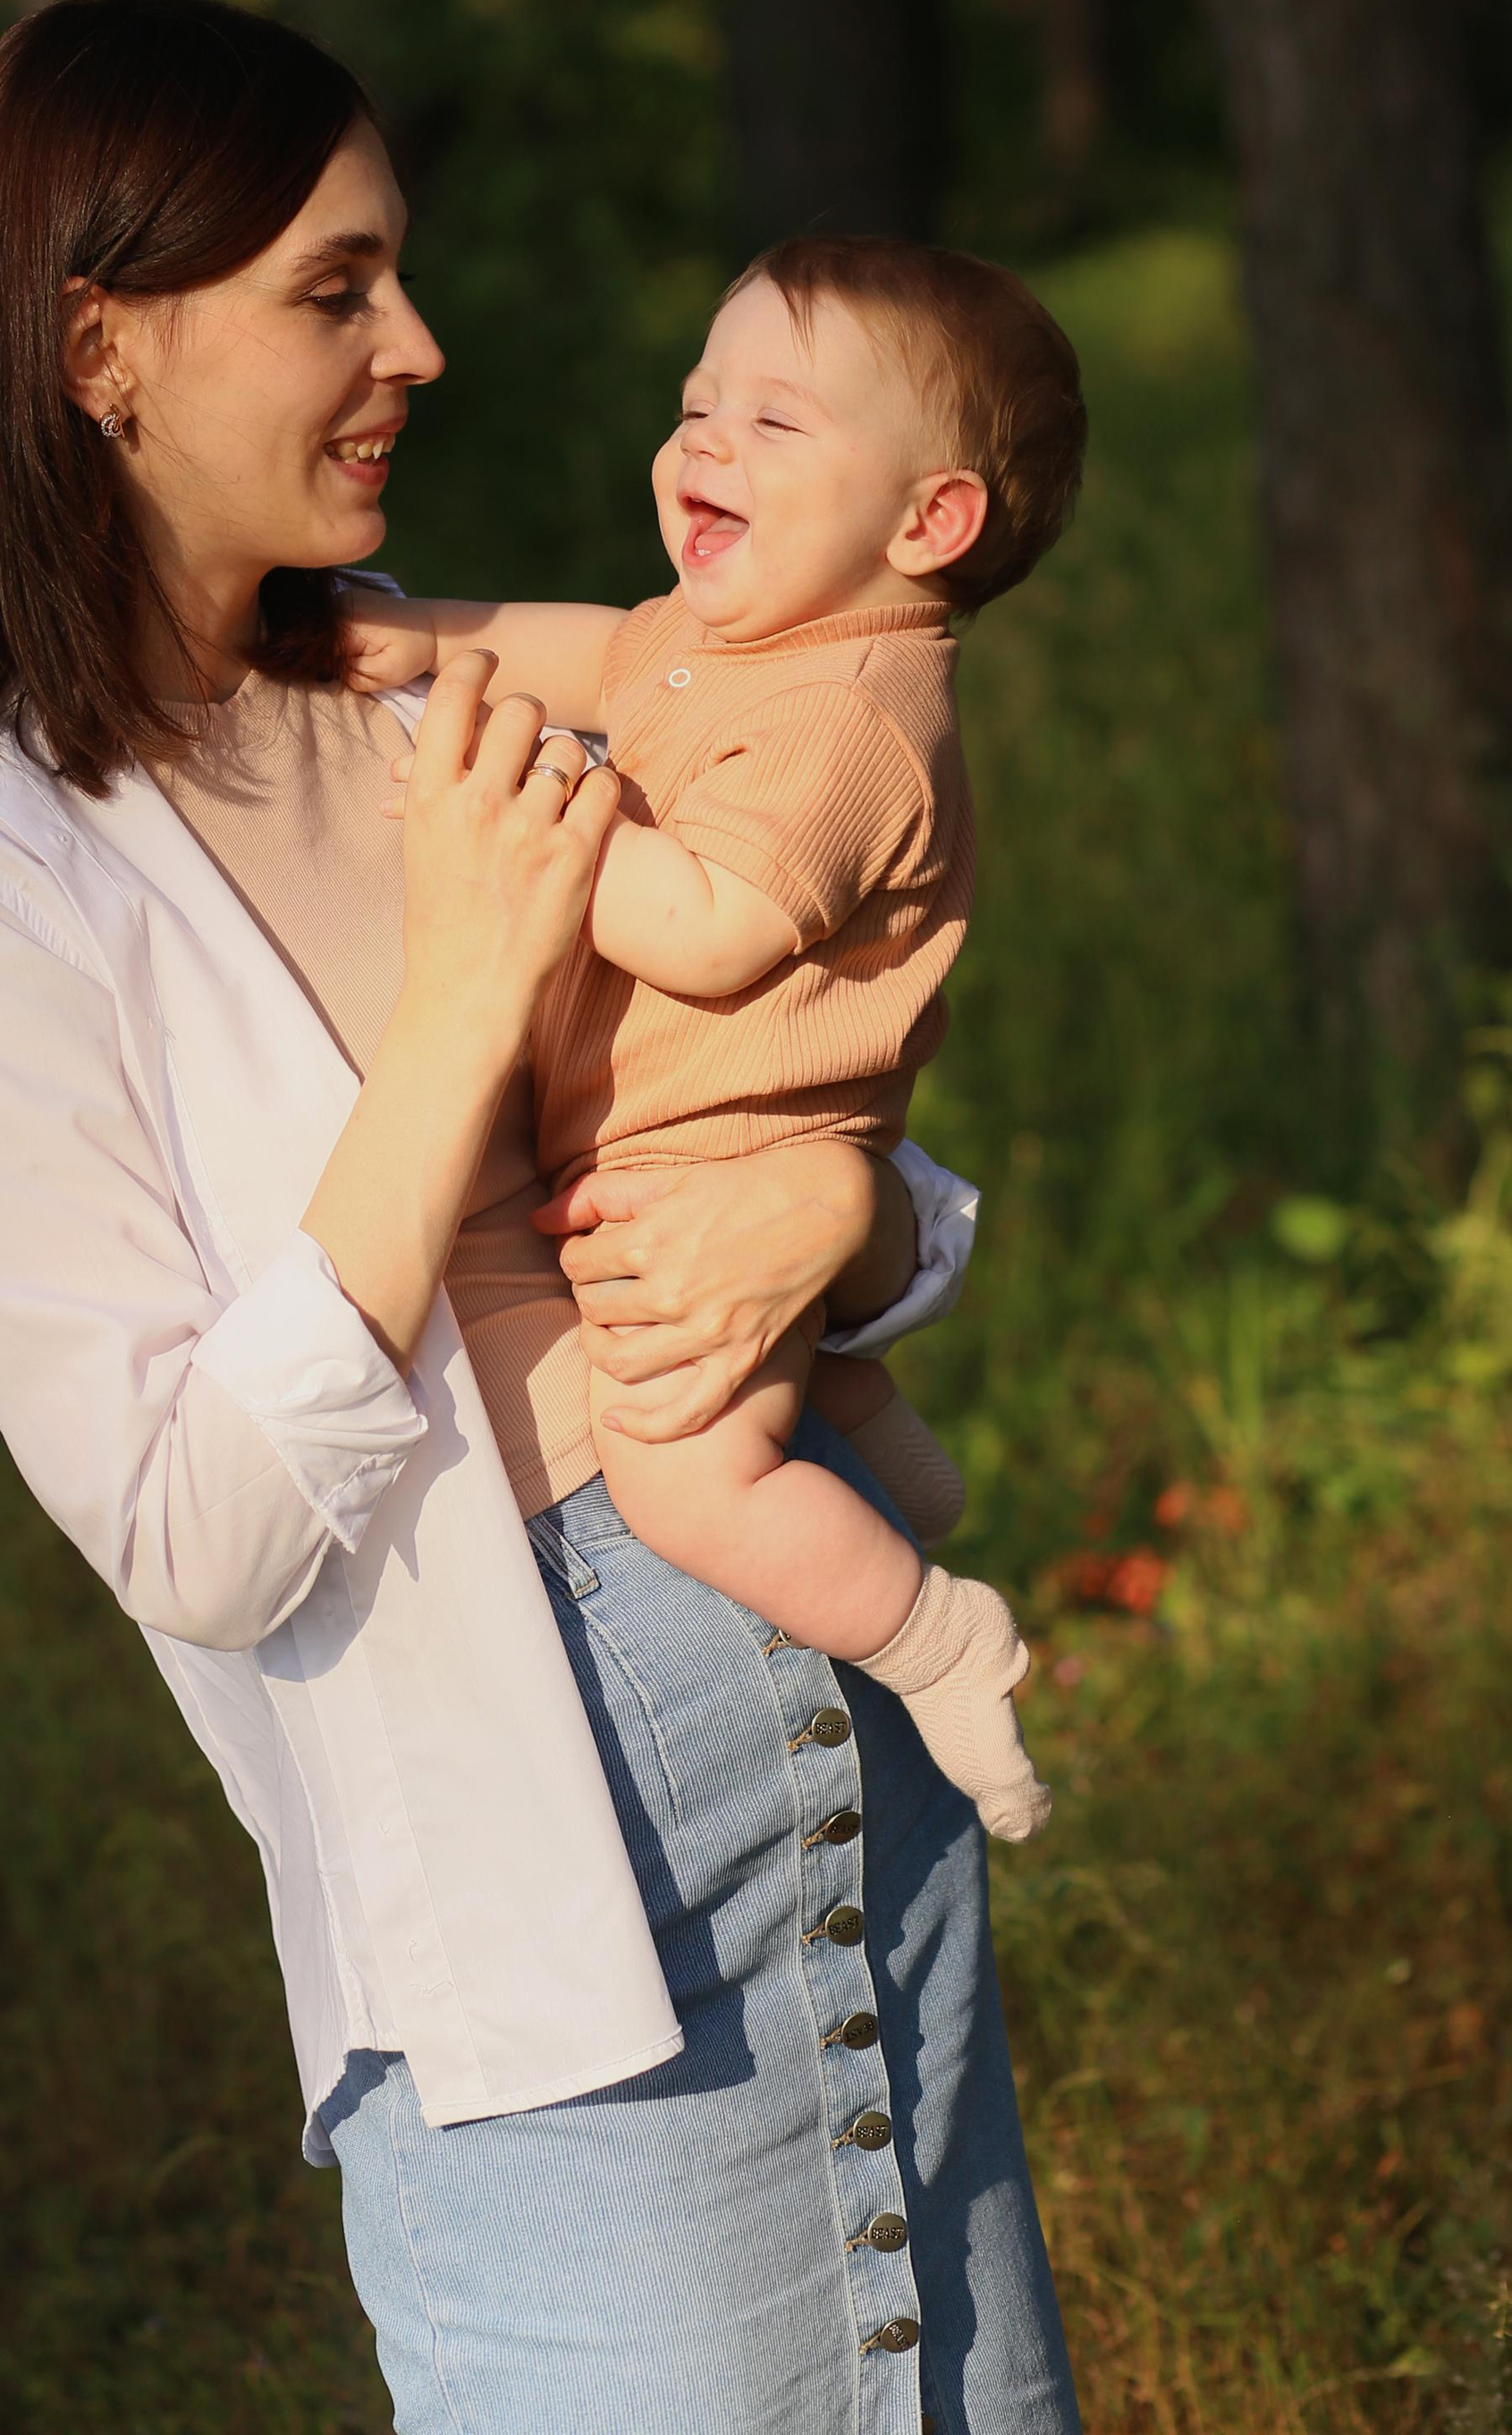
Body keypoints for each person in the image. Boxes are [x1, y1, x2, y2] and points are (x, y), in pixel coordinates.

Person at [0, 0, 1081, 2435]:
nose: (420, 342)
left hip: (845, 1747)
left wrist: (843, 1218)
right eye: (335, 288)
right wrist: (467, 996)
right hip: (554, 1890)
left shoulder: (438, 695)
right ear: (97, 348)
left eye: (394, 273)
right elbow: (192, 1533)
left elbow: (789, 1134)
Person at [343, 237, 1086, 1843]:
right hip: (705, 1153)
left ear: (927, 523)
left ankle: (934, 1636)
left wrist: (529, 804)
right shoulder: (729, 635)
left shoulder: (855, 714)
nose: (704, 445)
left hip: (722, 1163)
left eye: (773, 422)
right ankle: (874, 1438)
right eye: (696, 407)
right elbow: (588, 649)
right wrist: (412, 637)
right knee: (768, 1380)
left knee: (684, 1473)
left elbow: (709, 927)